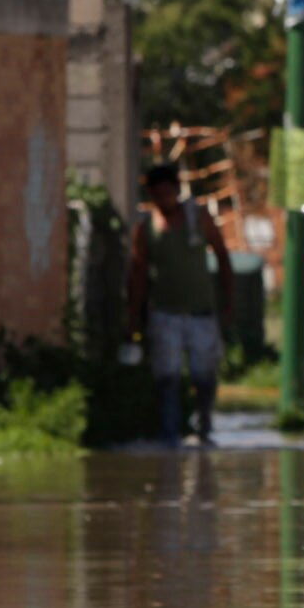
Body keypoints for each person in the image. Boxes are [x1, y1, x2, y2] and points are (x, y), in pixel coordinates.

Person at [128, 161, 237, 445]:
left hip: (201, 313)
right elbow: (138, 274)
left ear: (176, 190)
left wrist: (228, 302)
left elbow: (223, 257)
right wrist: (133, 316)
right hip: (165, 314)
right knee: (167, 378)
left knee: (204, 375)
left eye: (168, 193)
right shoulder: (146, 229)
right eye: (157, 194)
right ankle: (170, 433)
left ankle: (204, 427)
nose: (164, 200)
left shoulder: (198, 219)